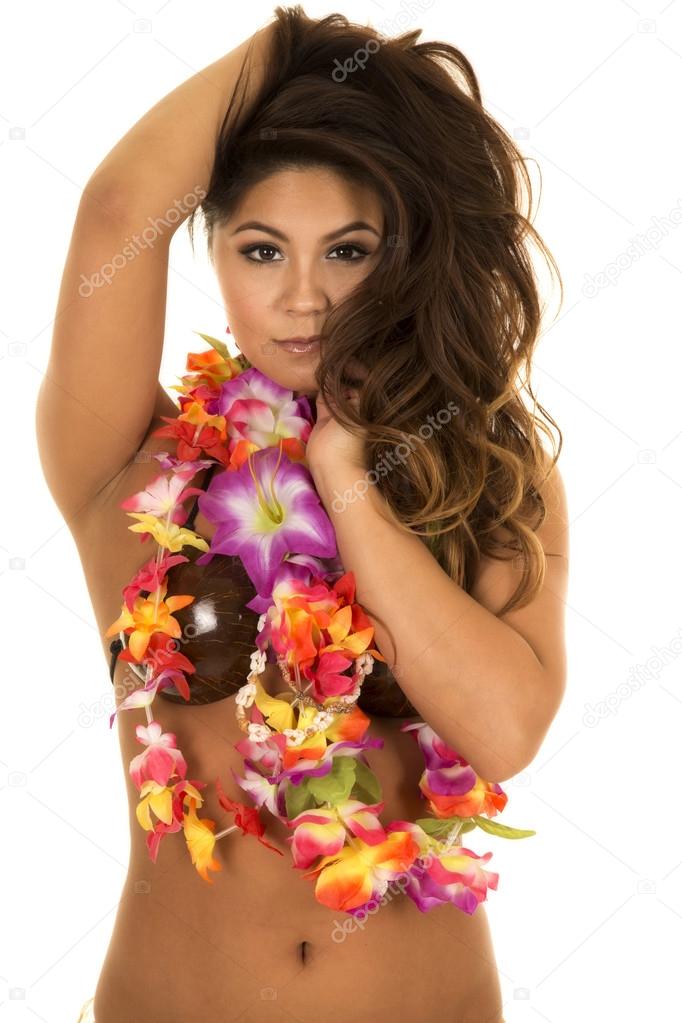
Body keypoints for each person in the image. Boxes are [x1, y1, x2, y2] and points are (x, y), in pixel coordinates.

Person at [36, 6, 569, 1021]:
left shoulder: (488, 474)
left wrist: (349, 478)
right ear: (212, 256)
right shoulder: (128, 466)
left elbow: (501, 731)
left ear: (402, 259)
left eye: (349, 249)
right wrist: (302, 40)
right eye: (262, 250)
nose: (305, 296)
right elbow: (117, 206)